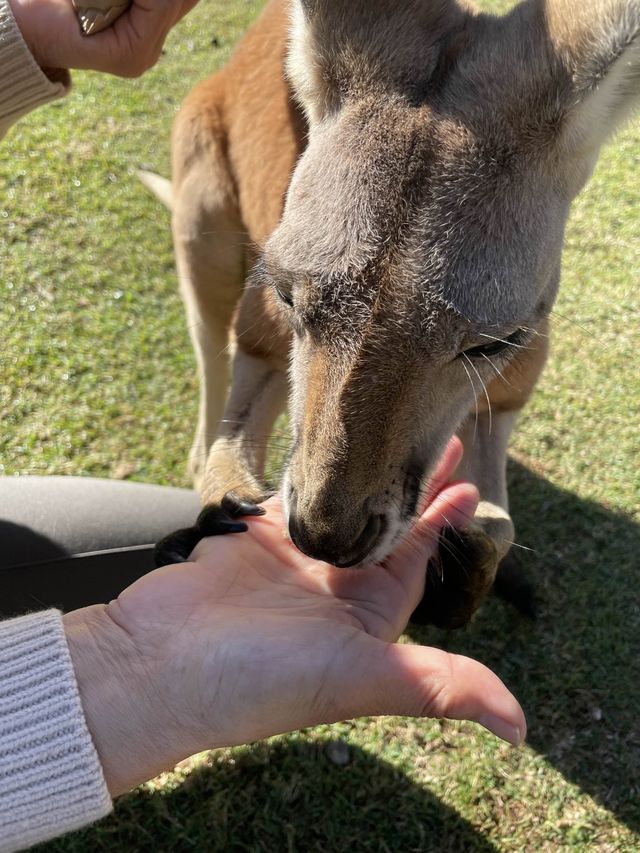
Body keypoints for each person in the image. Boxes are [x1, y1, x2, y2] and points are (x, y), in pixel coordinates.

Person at [0, 2, 526, 851]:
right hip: (268, 231)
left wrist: (24, 33)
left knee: (210, 556)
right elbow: (273, 318)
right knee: (214, 521)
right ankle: (215, 431)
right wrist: (137, 680)